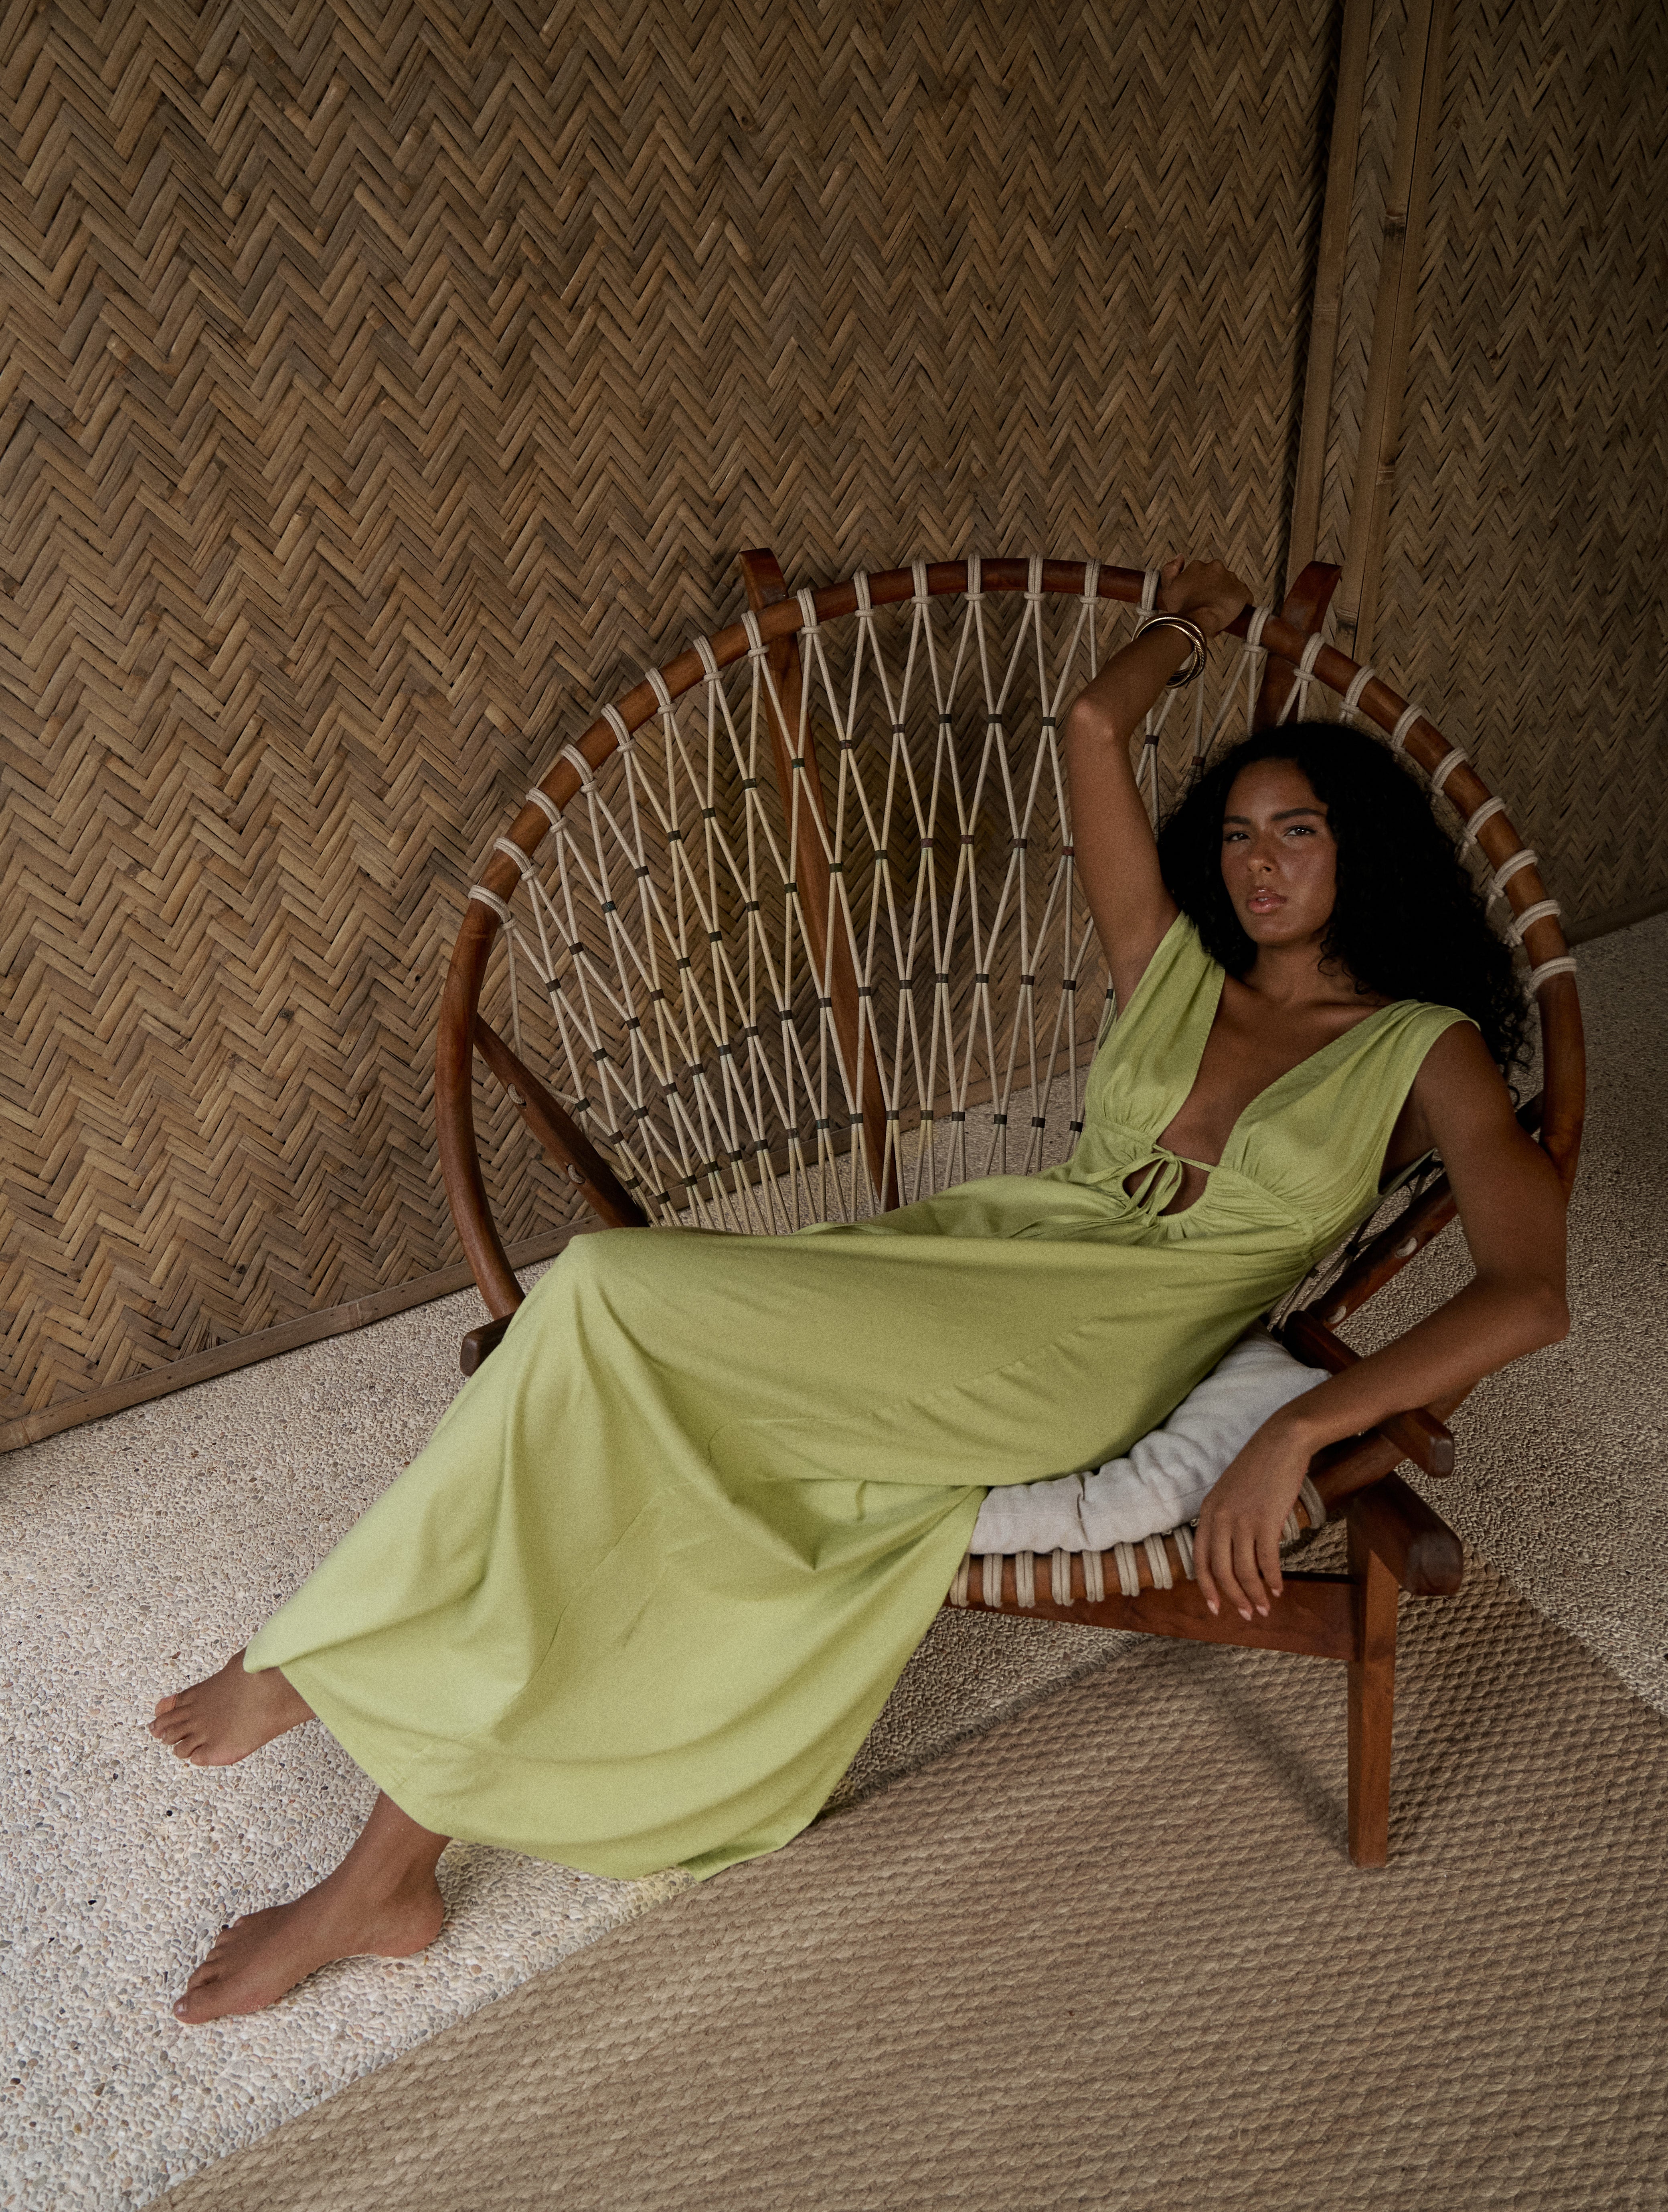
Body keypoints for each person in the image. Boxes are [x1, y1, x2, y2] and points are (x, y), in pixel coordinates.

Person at [150, 557, 1569, 2023]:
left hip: (1088, 1350)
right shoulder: (1177, 970)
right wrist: (1187, 628)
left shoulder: (1425, 1048)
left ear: (1363, 848)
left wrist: (1296, 1428)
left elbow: (1532, 1293)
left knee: (600, 1298)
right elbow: (1093, 727)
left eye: (1300, 832)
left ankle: (326, 1678)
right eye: (1239, 833)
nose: (1260, 865)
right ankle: (381, 1865)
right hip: (978, 1256)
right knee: (619, 1408)